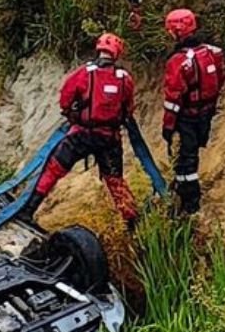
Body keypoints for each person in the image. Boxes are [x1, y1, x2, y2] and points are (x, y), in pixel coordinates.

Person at [20, 33, 140, 229]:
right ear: (117, 53)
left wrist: (72, 115)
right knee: (115, 179)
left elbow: (65, 98)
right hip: (109, 138)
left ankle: (27, 210)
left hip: (82, 135)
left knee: (53, 169)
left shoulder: (84, 73)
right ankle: (132, 224)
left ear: (98, 49)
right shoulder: (124, 78)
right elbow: (128, 108)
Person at [161, 9, 225, 216]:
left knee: (185, 162)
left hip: (187, 116)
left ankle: (190, 203)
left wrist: (168, 127)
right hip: (206, 113)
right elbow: (220, 80)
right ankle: (186, 193)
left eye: (170, 30)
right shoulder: (212, 52)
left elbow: (173, 97)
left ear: (177, 31)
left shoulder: (178, 60)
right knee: (192, 154)